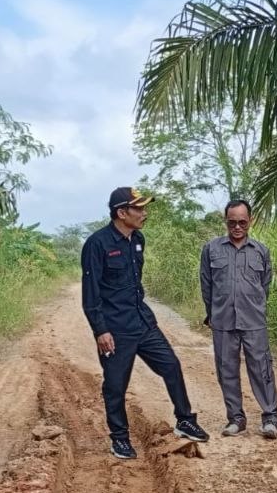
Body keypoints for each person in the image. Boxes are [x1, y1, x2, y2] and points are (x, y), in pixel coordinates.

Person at [81, 187, 209, 459]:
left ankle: (185, 420)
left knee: (171, 365)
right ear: (121, 213)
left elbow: (135, 283)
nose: (144, 213)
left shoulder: (138, 239)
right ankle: (119, 438)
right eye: (139, 208)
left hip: (142, 322)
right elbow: (90, 293)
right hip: (115, 329)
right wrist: (100, 330)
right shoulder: (97, 244)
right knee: (115, 385)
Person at [200, 199, 277, 438]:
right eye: (232, 222)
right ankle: (235, 418)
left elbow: (264, 285)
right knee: (226, 369)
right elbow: (206, 285)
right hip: (222, 319)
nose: (237, 227)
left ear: (250, 221)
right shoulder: (211, 249)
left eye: (242, 222)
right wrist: (213, 313)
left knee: (262, 368)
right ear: (225, 221)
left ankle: (270, 418)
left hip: (254, 320)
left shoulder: (260, 250)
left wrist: (254, 306)